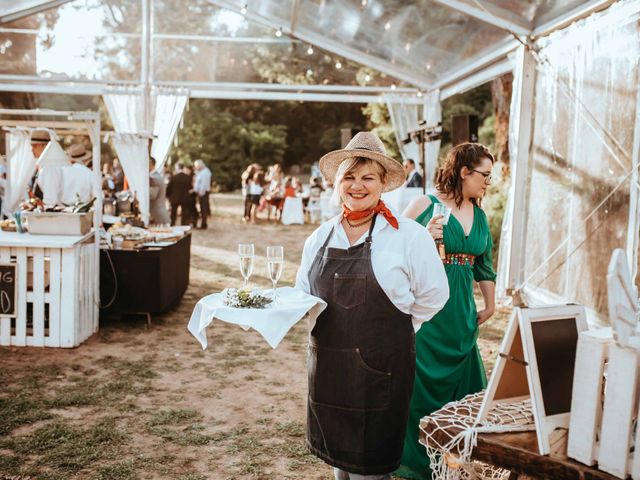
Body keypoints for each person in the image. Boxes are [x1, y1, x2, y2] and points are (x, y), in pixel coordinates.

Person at [296, 131, 449, 479]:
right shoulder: (320, 237)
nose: (357, 185)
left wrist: (396, 329)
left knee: (370, 470)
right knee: (338, 466)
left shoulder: (408, 235)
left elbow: (434, 295)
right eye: (349, 176)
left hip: (381, 373)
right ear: (338, 183)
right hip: (329, 373)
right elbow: (302, 294)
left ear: (383, 183)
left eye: (368, 177)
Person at [397, 143, 497, 479]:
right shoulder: (424, 204)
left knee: (464, 393)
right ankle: (416, 461)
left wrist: (491, 304)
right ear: (464, 172)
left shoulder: (480, 215)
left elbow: (484, 266)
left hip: (462, 315)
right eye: (484, 175)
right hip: (429, 313)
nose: (488, 182)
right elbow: (392, 252)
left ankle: (456, 463)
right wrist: (425, 237)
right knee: (422, 386)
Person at [149, 156, 170, 225]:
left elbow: (152, 196)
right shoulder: (155, 176)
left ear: (150, 163)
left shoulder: (154, 178)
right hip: (158, 214)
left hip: (158, 215)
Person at [193, 159, 212, 229]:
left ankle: (204, 224)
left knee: (203, 209)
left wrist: (201, 193)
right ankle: (203, 224)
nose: (196, 168)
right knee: (202, 208)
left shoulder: (205, 172)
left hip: (203, 193)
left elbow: (204, 184)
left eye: (196, 166)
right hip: (202, 192)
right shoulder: (201, 172)